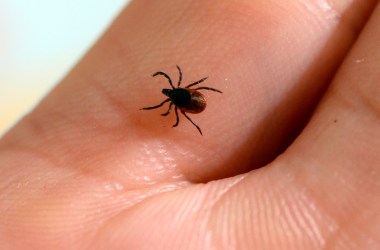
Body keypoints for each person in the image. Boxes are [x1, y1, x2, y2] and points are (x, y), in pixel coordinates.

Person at [0, 0, 379, 249]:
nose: (169, 93)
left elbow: (173, 103)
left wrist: (175, 111)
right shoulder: (183, 93)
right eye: (170, 92)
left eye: (169, 90)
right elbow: (182, 92)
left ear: (175, 90)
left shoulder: (179, 98)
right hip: (198, 107)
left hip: (197, 108)